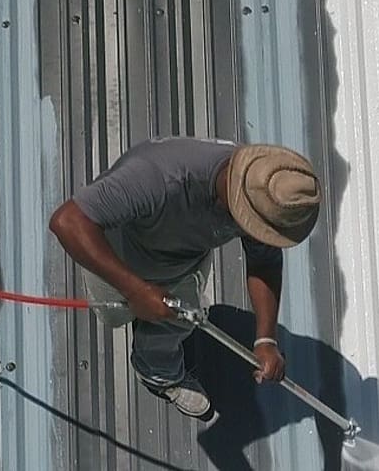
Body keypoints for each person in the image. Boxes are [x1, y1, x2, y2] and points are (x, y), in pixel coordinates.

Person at [48, 137, 321, 421]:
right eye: (257, 229)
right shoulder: (156, 176)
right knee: (115, 314)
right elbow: (68, 221)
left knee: (181, 318)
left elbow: (264, 260)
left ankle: (156, 373)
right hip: (119, 258)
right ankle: (138, 311)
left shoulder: (266, 189)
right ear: (239, 205)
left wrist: (266, 339)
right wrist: (135, 290)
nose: (259, 236)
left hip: (184, 263)